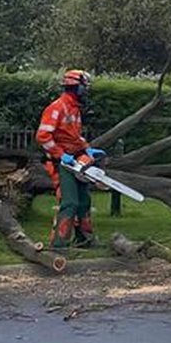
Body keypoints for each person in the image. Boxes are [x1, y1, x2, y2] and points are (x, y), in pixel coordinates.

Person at [36, 69, 106, 249]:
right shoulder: (57, 107)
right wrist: (61, 155)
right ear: (76, 88)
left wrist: (87, 149)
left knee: (84, 201)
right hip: (62, 163)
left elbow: (73, 136)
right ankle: (58, 244)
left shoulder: (74, 109)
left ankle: (85, 240)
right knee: (70, 202)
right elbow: (43, 136)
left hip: (77, 160)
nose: (86, 92)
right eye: (84, 88)